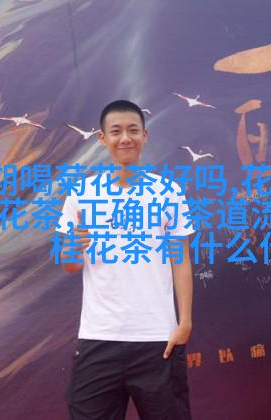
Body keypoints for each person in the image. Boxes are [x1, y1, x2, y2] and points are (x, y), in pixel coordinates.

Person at [56, 99, 196, 420]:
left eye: (133, 130)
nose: (125, 138)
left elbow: (180, 260)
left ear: (145, 136)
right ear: (102, 138)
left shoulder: (167, 192)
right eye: (116, 131)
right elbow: (70, 265)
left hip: (157, 339)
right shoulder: (82, 194)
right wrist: (72, 247)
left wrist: (185, 322)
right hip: (99, 338)